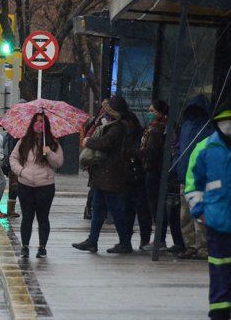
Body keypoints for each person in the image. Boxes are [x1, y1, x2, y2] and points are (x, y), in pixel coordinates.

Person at [185, 102, 231, 320]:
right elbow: (193, 184)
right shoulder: (205, 148)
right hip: (217, 221)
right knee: (219, 270)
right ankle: (219, 315)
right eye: (223, 120)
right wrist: (200, 212)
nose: (228, 124)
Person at [72, 95, 142, 254]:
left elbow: (105, 143)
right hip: (104, 175)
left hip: (110, 175)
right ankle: (93, 240)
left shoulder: (118, 127)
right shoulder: (116, 126)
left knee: (115, 209)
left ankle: (124, 242)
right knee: (98, 208)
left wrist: (88, 142)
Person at [10, 113, 63, 259]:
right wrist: (21, 171)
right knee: (27, 217)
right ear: (32, 123)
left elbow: (58, 163)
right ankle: (25, 247)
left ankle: (42, 247)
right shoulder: (24, 141)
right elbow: (13, 158)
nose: (39, 124)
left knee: (43, 218)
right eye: (37, 121)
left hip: (45, 186)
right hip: (25, 185)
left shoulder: (53, 143)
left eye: (42, 121)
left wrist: (49, 153)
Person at [138, 100, 183, 253]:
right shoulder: (162, 127)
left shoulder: (158, 129)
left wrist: (135, 152)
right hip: (159, 171)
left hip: (156, 172)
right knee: (160, 207)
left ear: (160, 113)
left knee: (158, 207)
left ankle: (160, 239)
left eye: (152, 111)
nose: (149, 113)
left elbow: (152, 151)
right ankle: (160, 238)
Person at [174, 95, 212, 260]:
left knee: (194, 215)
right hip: (187, 176)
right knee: (187, 215)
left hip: (194, 177)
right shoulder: (199, 126)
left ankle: (200, 246)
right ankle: (193, 245)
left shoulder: (198, 126)